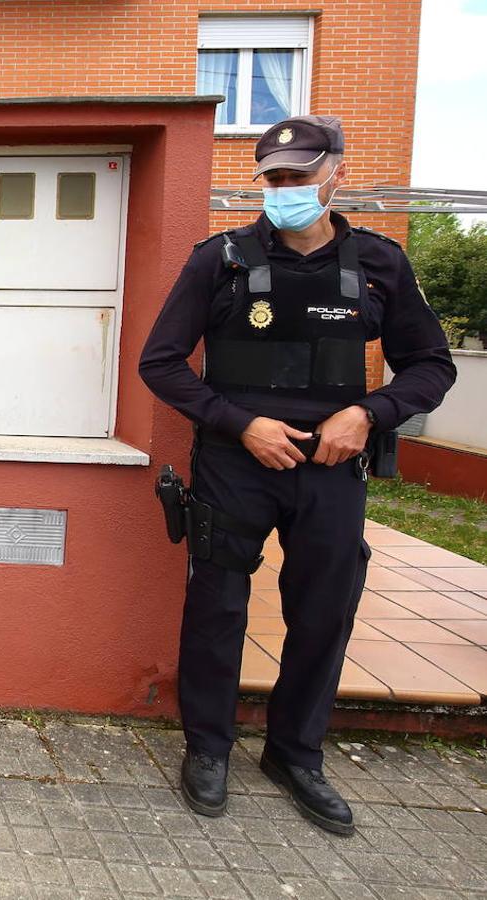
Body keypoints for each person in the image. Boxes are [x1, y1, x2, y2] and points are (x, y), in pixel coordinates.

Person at [139, 115, 456, 836]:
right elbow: (160, 362)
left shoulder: (379, 263)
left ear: (335, 173)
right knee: (217, 608)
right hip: (235, 462)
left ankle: (295, 754)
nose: (286, 191)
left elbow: (432, 365)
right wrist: (237, 422)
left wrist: (370, 414)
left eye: (299, 177)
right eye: (275, 179)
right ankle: (209, 749)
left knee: (323, 612)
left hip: (333, 468)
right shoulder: (219, 260)